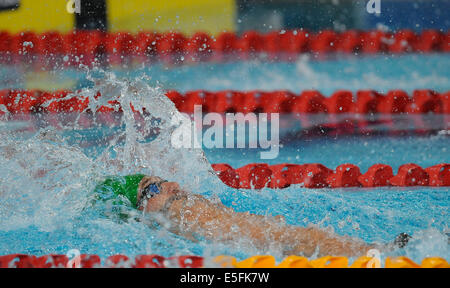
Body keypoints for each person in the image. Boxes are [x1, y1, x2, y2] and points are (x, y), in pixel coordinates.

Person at [95, 174, 410, 258]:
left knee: (308, 239)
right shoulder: (168, 218)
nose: (172, 186)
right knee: (308, 240)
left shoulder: (183, 207)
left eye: (162, 180)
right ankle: (377, 252)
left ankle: (376, 251)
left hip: (251, 233)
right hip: (248, 240)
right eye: (152, 189)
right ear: (138, 211)